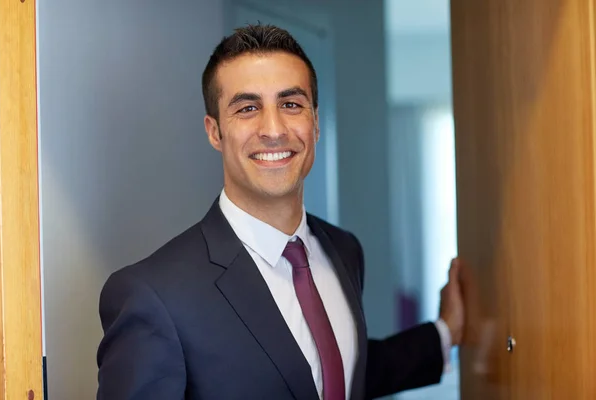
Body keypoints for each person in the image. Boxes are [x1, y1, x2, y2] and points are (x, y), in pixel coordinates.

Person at [96, 23, 465, 400]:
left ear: (316, 122)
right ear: (214, 132)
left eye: (291, 104)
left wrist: (446, 331)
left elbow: (336, 370)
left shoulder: (344, 250)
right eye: (247, 108)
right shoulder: (153, 295)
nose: (273, 129)